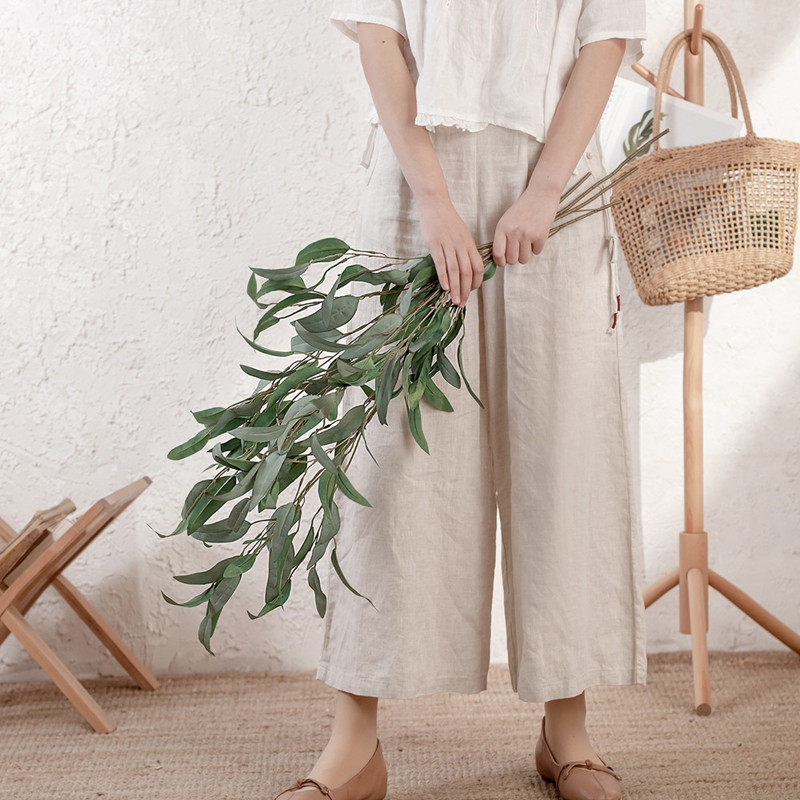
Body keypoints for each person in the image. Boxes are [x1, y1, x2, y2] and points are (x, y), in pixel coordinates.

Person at [275, 2, 648, 799]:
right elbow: (378, 31)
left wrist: (545, 189)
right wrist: (433, 197)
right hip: (418, 174)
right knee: (388, 463)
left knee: (560, 448)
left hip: (556, 172)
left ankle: (567, 731)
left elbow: (606, 36)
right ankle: (353, 747)